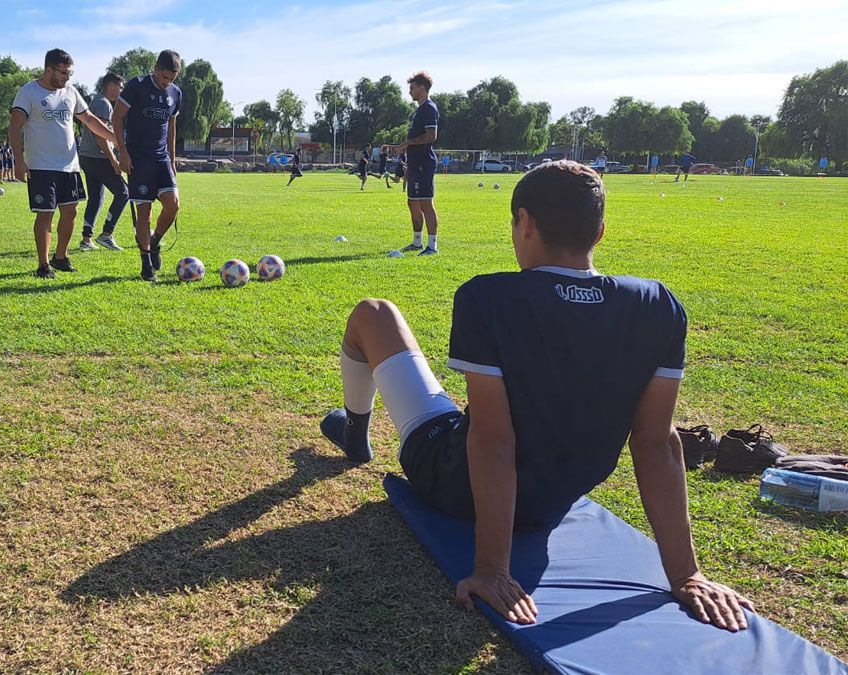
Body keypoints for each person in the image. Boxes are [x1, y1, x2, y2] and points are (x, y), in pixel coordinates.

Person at [320, 160, 754, 634]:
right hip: (551, 500)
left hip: (452, 480)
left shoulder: (490, 297)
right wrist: (686, 574)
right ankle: (352, 431)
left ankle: (355, 432)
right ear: (600, 231)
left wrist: (491, 569)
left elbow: (492, 439)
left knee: (374, 313)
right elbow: (655, 442)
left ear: (524, 222)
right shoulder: (658, 306)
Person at [9, 47, 118, 279]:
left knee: (71, 211)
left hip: (69, 165)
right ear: (49, 69)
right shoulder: (28, 92)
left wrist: (115, 139)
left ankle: (61, 257)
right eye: (64, 73)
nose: (68, 78)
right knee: (45, 214)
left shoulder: (70, 92)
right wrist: (18, 161)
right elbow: (15, 128)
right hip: (41, 165)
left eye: (70, 73)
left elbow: (89, 120)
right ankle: (43, 264)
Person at [112, 49, 184, 282]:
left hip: (161, 158)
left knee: (172, 206)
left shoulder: (176, 93)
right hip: (138, 159)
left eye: (171, 79)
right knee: (144, 215)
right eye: (164, 78)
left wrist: (172, 160)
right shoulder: (137, 85)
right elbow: (117, 117)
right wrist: (122, 153)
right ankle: (146, 263)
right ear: (156, 69)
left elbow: (171, 128)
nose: (167, 83)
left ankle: (154, 242)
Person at [78, 72, 130, 252]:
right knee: (124, 193)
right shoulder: (103, 104)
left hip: (87, 157)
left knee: (96, 198)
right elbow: (100, 135)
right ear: (111, 85)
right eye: (120, 87)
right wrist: (114, 160)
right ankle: (107, 234)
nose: (121, 91)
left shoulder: (97, 101)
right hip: (98, 157)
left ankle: (86, 239)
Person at [395, 72, 440, 255]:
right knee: (412, 203)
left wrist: (409, 143)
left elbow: (431, 136)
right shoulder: (419, 111)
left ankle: (432, 246)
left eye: (412, 88)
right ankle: (416, 242)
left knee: (425, 204)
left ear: (422, 88)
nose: (410, 92)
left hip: (424, 163)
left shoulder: (429, 108)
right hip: (414, 163)